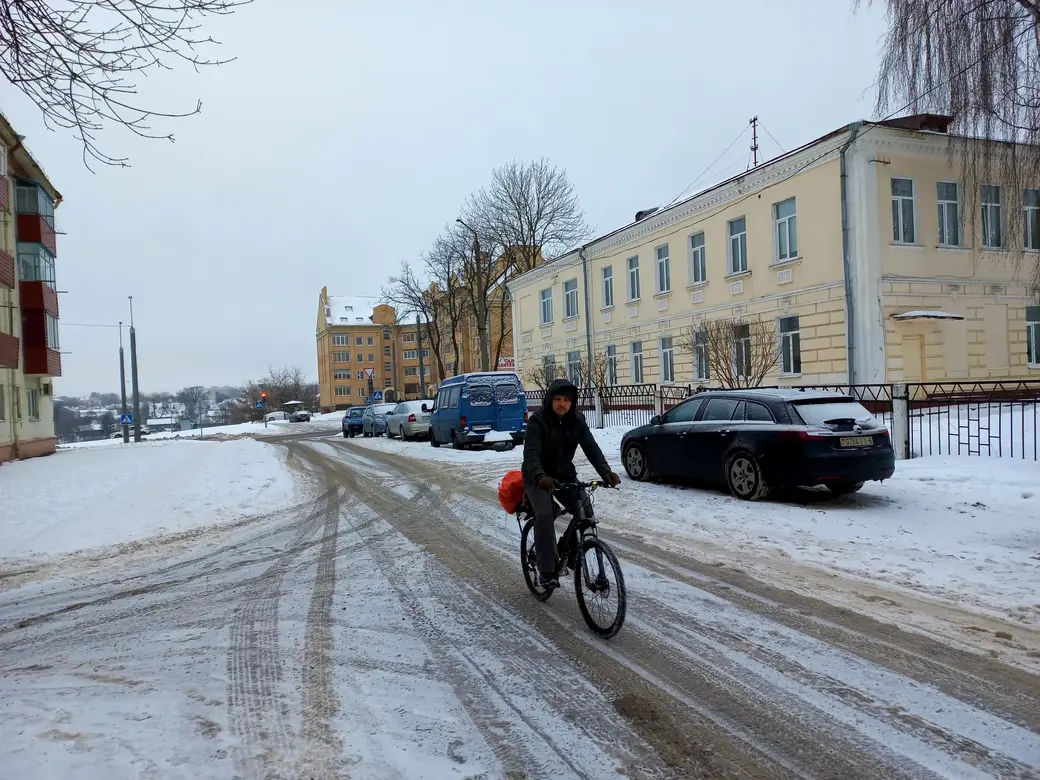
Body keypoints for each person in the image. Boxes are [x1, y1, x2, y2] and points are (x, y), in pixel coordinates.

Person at [521, 377, 621, 588]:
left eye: (567, 400)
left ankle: (571, 553)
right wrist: (540, 477)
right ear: (550, 399)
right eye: (558, 399)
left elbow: (591, 447)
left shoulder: (577, 421)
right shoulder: (537, 421)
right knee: (545, 515)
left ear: (572, 402)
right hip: (537, 478)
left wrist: (605, 471)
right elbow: (531, 454)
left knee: (586, 513)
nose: (562, 404)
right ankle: (546, 571)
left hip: (564, 476)